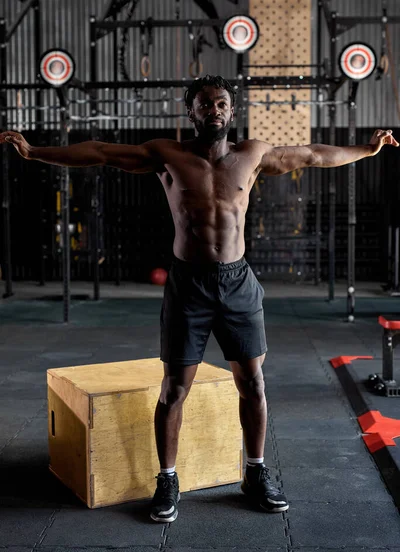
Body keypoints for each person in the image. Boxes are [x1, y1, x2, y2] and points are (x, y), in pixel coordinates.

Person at [1, 75, 398, 523]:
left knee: (252, 383)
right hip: (189, 284)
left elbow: (313, 154)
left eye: (222, 102)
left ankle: (255, 472)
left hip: (237, 282)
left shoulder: (253, 154)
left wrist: (367, 150)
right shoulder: (165, 155)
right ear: (190, 112)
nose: (215, 109)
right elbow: (100, 151)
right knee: (174, 389)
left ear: (233, 109)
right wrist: (35, 152)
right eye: (205, 103)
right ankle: (167, 479)